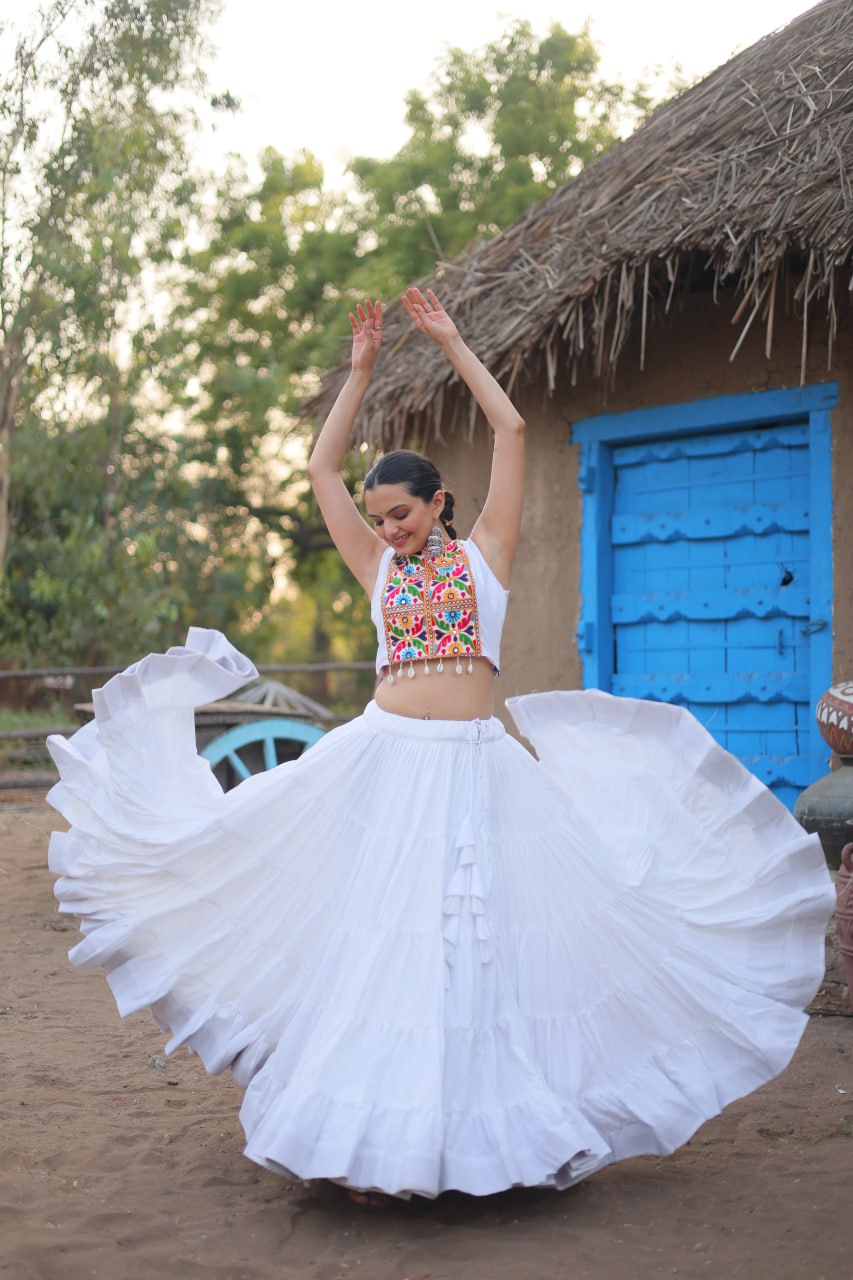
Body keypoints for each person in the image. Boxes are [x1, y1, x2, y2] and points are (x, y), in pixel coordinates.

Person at [47, 287, 835, 1207]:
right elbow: (318, 470)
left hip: (473, 769)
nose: (390, 529)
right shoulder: (379, 570)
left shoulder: (484, 558)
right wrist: (360, 374)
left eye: (403, 513)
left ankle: (466, 1146)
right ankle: (368, 1149)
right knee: (387, 946)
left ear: (438, 502)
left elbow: (508, 430)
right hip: (383, 765)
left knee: (469, 948)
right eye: (379, 517)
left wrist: (453, 343)